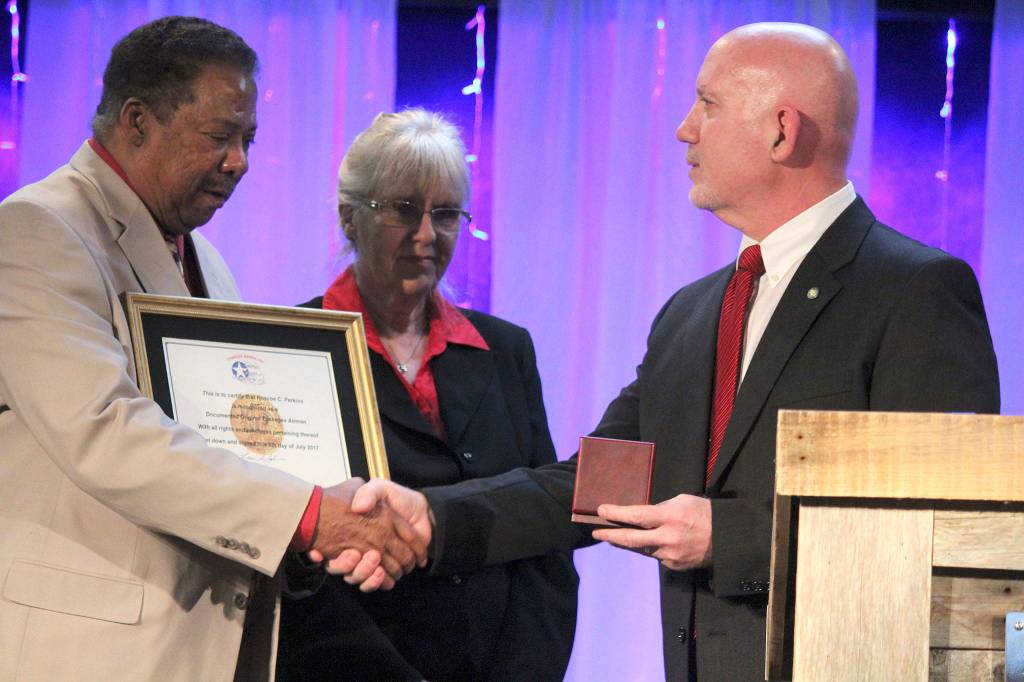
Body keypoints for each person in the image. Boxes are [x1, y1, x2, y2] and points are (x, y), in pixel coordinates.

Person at [337, 22, 1000, 680]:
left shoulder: (916, 292)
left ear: (781, 130)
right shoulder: (692, 313)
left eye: (708, 104)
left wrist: (731, 538)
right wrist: (430, 518)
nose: (685, 127)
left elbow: (946, 528)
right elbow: (592, 486)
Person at [0, 17, 424, 681]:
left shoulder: (210, 264)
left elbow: (232, 445)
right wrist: (313, 517)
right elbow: (106, 431)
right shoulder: (36, 232)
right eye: (220, 136)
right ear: (137, 121)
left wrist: (340, 499)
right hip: (90, 652)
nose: (240, 162)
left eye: (249, 138)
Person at [277, 109, 578, 681]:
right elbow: (289, 551)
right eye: (402, 209)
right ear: (349, 218)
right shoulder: (294, 345)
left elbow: (544, 525)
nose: (425, 235)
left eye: (444, 214)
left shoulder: (506, 348)